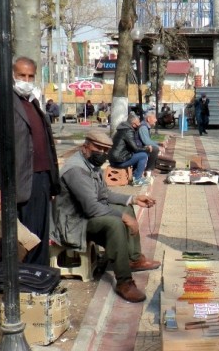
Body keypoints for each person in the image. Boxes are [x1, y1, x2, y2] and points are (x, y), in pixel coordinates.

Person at [51, 130, 161, 303]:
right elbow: (92, 208)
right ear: (85, 146)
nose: (101, 153)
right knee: (115, 223)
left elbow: (104, 194)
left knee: (127, 210)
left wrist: (133, 199)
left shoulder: (91, 165)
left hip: (85, 215)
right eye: (98, 148)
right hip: (73, 223)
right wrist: (124, 219)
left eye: (105, 150)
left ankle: (133, 259)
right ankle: (124, 282)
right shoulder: (76, 170)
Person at [0, 56, 61, 266]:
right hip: (18, 181)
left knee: (40, 235)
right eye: (21, 75)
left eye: (30, 76)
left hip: (42, 179)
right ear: (12, 76)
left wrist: (51, 180)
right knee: (21, 237)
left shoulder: (32, 102)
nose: (26, 79)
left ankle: (38, 278)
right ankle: (17, 282)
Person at [109, 114, 152, 187]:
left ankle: (135, 175)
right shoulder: (128, 131)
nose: (140, 124)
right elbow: (135, 148)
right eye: (138, 123)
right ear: (133, 124)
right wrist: (147, 148)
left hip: (115, 159)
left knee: (139, 154)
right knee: (143, 155)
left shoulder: (122, 129)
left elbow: (132, 147)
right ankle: (137, 179)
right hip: (119, 161)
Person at [138, 111, 163, 178]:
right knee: (155, 149)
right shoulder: (143, 127)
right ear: (148, 119)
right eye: (154, 118)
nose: (156, 120)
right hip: (138, 148)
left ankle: (152, 168)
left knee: (155, 148)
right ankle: (148, 170)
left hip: (141, 147)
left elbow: (148, 140)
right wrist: (158, 146)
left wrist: (158, 143)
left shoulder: (146, 126)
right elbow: (146, 141)